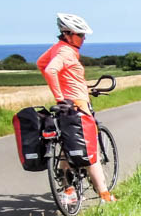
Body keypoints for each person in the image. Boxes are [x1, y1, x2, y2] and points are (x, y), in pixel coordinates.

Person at [37, 13, 117, 204]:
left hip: (67, 107)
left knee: (68, 147)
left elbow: (41, 63)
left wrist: (67, 88)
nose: (83, 39)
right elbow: (50, 70)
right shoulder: (65, 52)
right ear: (67, 33)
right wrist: (61, 96)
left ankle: (69, 190)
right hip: (78, 107)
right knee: (91, 153)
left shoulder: (58, 48)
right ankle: (105, 196)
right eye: (80, 35)